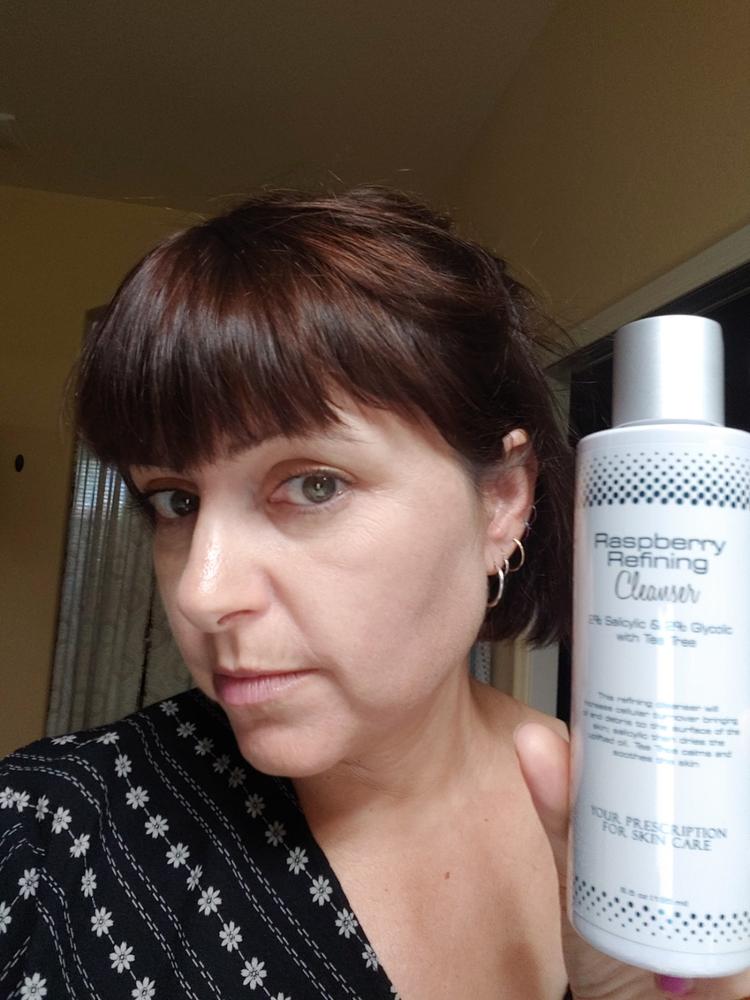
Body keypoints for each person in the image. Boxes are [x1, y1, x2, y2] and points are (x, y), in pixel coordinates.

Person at [1, 188, 746, 1000]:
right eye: (176, 501)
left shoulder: (671, 836)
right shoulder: (44, 835)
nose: (201, 594)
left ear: (502, 501)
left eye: (313, 484)